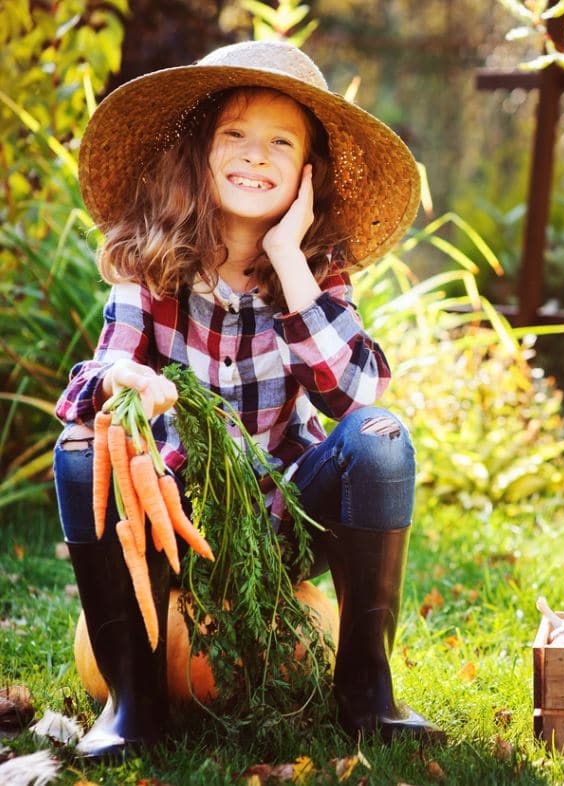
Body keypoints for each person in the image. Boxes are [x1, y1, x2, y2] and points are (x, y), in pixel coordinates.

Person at [52, 40, 442, 758]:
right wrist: (123, 382)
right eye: (235, 135)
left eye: (279, 143)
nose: (254, 156)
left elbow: (351, 395)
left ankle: (366, 694)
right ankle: (133, 703)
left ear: (305, 175)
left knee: (380, 435)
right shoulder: (148, 261)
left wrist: (290, 260)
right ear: (200, 152)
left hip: (280, 532)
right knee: (81, 445)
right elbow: (101, 369)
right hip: (174, 528)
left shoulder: (316, 271)